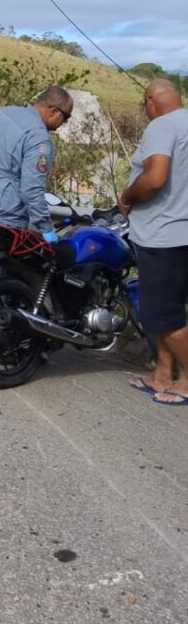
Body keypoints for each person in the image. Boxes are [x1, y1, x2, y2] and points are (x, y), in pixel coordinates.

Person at [119, 77, 188, 406]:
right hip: (181, 235)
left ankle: (187, 381)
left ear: (150, 101)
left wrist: (127, 196)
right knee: (166, 313)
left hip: (163, 235)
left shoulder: (162, 125)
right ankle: (162, 375)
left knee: (165, 315)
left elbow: (155, 178)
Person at [0, 86, 74, 241]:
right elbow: (31, 189)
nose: (63, 123)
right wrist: (46, 228)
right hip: (7, 217)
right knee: (4, 263)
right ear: (53, 111)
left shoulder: (8, 113)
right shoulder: (39, 139)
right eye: (66, 117)